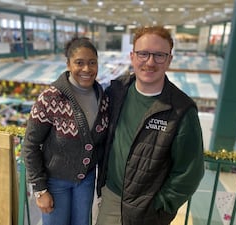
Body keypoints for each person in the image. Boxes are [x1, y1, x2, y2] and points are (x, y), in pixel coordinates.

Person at [96, 26, 205, 225]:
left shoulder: (181, 110)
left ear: (170, 59)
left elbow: (189, 171)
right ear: (132, 56)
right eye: (143, 54)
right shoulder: (116, 91)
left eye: (159, 55)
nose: (150, 62)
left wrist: (161, 206)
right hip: (110, 197)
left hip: (148, 211)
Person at [22, 36, 109, 225]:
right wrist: (40, 189)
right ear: (68, 64)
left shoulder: (102, 98)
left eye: (92, 63)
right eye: (79, 63)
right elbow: (30, 146)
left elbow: (101, 144)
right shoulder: (50, 98)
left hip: (86, 180)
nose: (86, 69)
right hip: (54, 182)